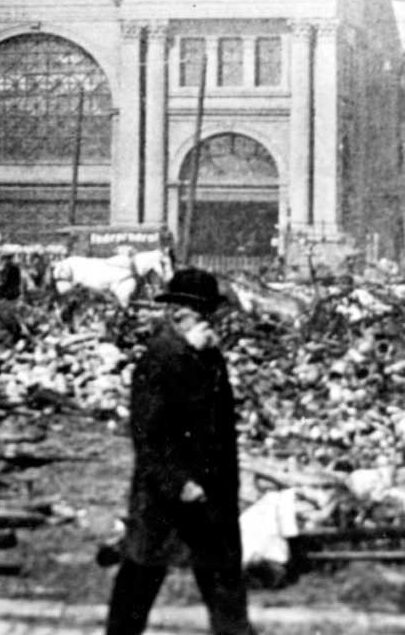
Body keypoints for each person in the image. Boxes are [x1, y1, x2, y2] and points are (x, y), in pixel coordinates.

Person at [106, 266, 253, 635]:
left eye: (212, 317)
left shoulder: (208, 356)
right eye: (203, 318)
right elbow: (149, 436)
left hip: (212, 493)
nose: (211, 325)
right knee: (140, 580)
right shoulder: (159, 360)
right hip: (166, 496)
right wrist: (179, 483)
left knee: (224, 586)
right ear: (178, 316)